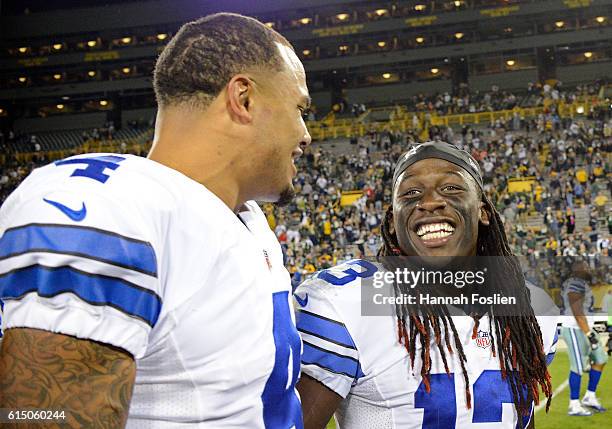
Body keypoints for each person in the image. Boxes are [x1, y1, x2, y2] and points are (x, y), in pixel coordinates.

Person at [0, 13, 311, 428]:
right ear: (244, 98)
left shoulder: (248, 221)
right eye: (299, 109)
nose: (305, 134)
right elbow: (39, 416)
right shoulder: (111, 207)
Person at [294, 142, 558, 428]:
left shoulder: (531, 308)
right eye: (411, 193)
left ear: (483, 211)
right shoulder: (345, 302)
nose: (430, 202)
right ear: (393, 221)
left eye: (451, 188)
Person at [560, 260, 608, 415]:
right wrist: (589, 335)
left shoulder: (582, 283)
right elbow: (577, 310)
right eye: (585, 267)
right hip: (575, 328)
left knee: (600, 358)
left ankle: (589, 397)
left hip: (586, 327)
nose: (588, 269)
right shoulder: (574, 283)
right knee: (578, 367)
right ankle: (574, 404)